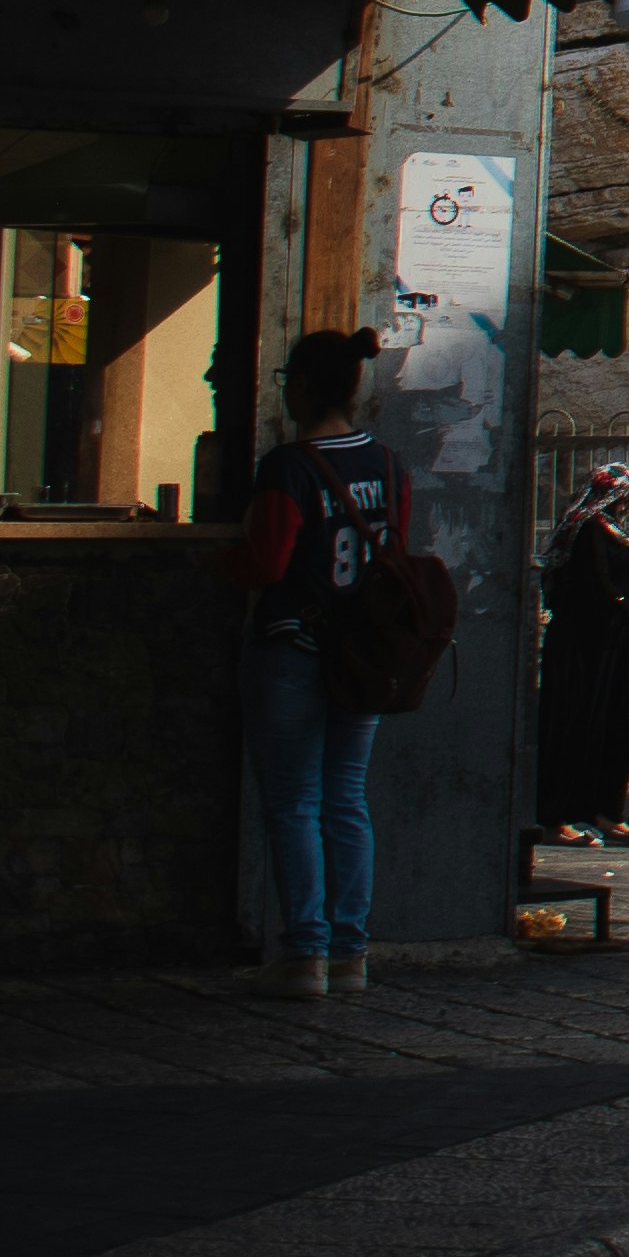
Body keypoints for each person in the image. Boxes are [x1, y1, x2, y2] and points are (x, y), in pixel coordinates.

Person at [224, 331, 402, 998]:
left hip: (293, 648)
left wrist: (219, 559)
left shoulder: (288, 468)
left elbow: (265, 563)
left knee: (295, 802)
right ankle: (351, 953)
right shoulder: (387, 464)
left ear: (300, 386)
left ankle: (305, 953)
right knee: (346, 800)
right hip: (362, 655)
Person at [537, 459, 629, 843]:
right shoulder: (587, 529)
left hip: (613, 650)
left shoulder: (606, 527)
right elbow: (599, 587)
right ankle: (556, 818)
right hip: (585, 652)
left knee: (625, 726)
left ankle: (605, 810)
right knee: (574, 728)